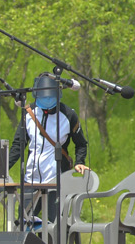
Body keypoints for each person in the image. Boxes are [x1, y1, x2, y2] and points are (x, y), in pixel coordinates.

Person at [8, 73, 89, 223]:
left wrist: (80, 162)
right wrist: (3, 168)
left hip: (57, 179)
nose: (47, 100)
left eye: (50, 97)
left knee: (55, 223)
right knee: (24, 222)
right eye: (43, 97)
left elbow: (81, 143)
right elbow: (18, 145)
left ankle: (57, 240)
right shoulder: (29, 113)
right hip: (31, 179)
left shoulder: (68, 115)